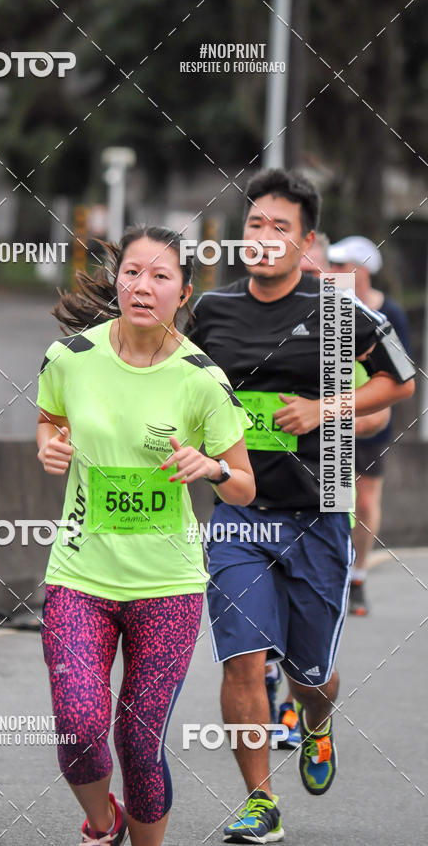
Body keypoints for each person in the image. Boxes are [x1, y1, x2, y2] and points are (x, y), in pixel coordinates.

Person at [186, 169, 415, 844]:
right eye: (254, 224)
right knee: (243, 657)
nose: (264, 237)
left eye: (279, 227)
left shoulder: (339, 310)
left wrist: (324, 408)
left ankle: (315, 719)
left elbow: (399, 379)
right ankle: (260, 801)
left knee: (309, 673)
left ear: (305, 241)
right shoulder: (211, 311)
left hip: (319, 513)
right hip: (238, 511)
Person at [36, 225, 255, 846]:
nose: (143, 286)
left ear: (183, 294)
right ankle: (102, 825)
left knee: (138, 739)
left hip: (168, 585)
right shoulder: (70, 358)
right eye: (132, 272)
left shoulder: (202, 378)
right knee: (79, 725)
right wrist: (49, 447)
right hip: (80, 575)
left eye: (161, 276)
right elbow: (50, 420)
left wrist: (211, 468)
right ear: (118, 282)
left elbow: (243, 486)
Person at [328, 235, 412, 615]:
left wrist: (373, 409)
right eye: (331, 264)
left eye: (341, 265)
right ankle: (330, 576)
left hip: (371, 420)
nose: (333, 271)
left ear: (361, 271)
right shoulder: (328, 305)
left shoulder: (388, 313)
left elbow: (402, 374)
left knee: (364, 501)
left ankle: (358, 577)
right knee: (332, 500)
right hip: (329, 419)